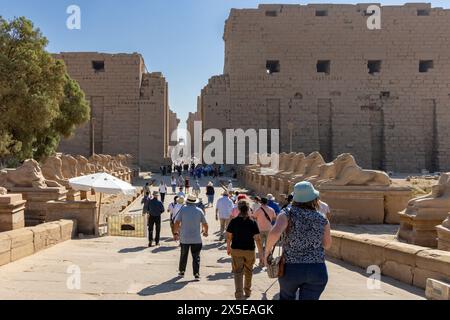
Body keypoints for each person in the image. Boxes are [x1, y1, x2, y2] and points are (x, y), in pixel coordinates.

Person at [264, 181, 332, 301]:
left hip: (291, 268)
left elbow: (274, 233)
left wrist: (266, 254)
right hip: (317, 269)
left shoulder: (286, 213)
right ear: (314, 199)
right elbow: (327, 245)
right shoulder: (322, 218)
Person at [226, 200, 264, 300]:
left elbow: (229, 236)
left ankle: (239, 295)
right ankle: (247, 291)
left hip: (236, 250)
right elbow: (258, 239)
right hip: (249, 251)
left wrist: (228, 247)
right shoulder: (252, 222)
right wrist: (261, 254)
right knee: (248, 271)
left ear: (238, 209)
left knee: (238, 272)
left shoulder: (233, 221)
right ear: (248, 209)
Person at [174, 194, 209, 280]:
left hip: (184, 238)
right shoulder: (199, 210)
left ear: (187, 201)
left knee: (183, 255)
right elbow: (205, 224)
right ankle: (196, 274)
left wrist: (175, 233)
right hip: (196, 238)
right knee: (196, 256)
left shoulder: (183, 210)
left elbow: (177, 222)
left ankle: (182, 272)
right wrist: (205, 232)